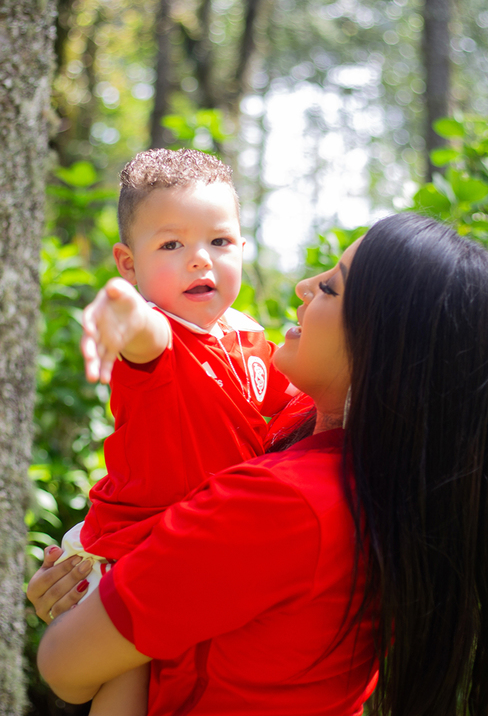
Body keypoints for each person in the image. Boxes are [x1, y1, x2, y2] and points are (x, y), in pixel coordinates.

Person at [29, 212, 488, 716]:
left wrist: (99, 593)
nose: (305, 287)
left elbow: (66, 666)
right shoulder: (390, 484)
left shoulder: (286, 504)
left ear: (385, 345)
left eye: (331, 288)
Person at [55, 148, 294, 714]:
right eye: (171, 244)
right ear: (128, 263)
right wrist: (120, 310)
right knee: (128, 683)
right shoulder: (162, 336)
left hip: (204, 551)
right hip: (136, 547)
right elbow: (144, 334)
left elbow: (302, 400)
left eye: (220, 241)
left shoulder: (250, 340)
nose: (199, 261)